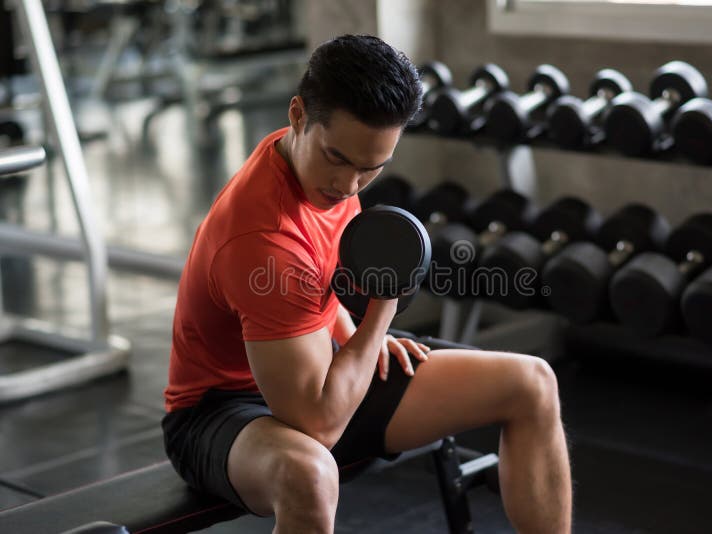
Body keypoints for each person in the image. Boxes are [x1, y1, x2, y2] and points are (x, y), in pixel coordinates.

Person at [162, 34, 572, 533]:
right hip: (220, 413)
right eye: (337, 159)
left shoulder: (313, 161)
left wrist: (352, 335)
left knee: (532, 383)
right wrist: (381, 312)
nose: (349, 185)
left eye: (371, 167)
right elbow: (318, 425)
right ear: (297, 116)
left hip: (316, 370)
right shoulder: (262, 240)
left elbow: (318, 282)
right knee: (308, 475)